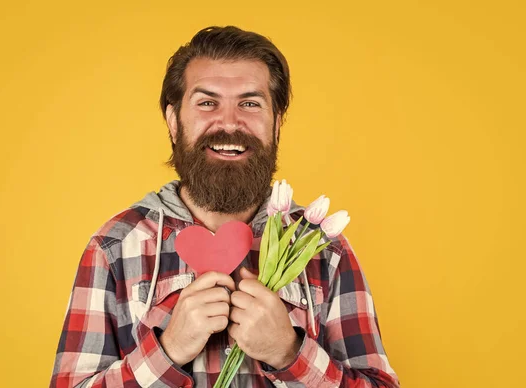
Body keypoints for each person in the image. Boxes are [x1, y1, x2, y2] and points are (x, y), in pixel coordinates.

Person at [49, 26, 400, 388]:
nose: (230, 123)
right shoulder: (114, 247)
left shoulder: (324, 250)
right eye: (207, 102)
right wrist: (168, 351)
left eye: (250, 103)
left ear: (277, 124)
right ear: (173, 121)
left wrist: (288, 353)